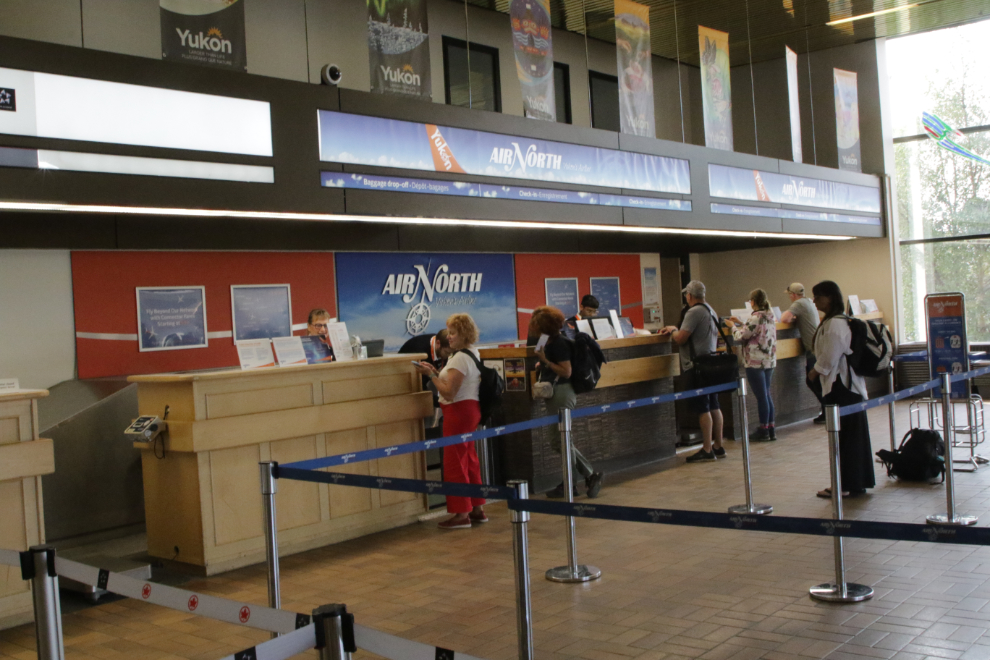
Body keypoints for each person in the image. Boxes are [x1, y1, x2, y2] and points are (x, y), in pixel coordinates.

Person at [413, 313, 487, 529]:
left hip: (458, 411)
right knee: (469, 459)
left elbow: (449, 392)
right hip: (469, 410)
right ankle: (476, 508)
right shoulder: (471, 353)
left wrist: (430, 375)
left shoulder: (461, 357)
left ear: (463, 334)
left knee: (455, 461)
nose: (449, 337)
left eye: (453, 333)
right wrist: (437, 373)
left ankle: (461, 513)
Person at [808, 280, 875, 499]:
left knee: (845, 438)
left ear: (830, 297)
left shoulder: (835, 324)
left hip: (841, 388)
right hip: (848, 387)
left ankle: (844, 484)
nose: (815, 300)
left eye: (818, 296)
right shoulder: (836, 321)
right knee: (852, 437)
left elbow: (829, 357)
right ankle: (855, 482)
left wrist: (813, 373)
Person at [530, 306, 604, 499]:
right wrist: (541, 361)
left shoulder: (559, 343)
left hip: (562, 393)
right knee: (561, 441)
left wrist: (545, 361)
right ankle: (584, 477)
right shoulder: (549, 340)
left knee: (560, 440)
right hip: (557, 393)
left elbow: (566, 371)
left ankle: (573, 481)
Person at [660, 280, 725, 463]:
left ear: (689, 295)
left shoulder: (694, 311)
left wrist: (673, 330)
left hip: (696, 366)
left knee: (702, 407)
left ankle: (706, 448)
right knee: (714, 404)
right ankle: (718, 445)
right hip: (710, 363)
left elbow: (681, 338)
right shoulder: (710, 310)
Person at [727, 289, 777, 441]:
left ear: (753, 302)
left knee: (761, 396)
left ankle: (763, 430)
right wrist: (742, 323)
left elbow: (741, 336)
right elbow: (756, 330)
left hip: (755, 361)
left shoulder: (755, 317)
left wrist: (732, 326)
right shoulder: (769, 315)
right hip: (769, 360)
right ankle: (770, 428)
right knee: (767, 394)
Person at [780, 283, 825, 424]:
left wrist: (793, 318)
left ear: (793, 294)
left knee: (813, 380)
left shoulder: (798, 304)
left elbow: (784, 319)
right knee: (817, 381)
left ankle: (828, 409)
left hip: (813, 350)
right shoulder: (809, 302)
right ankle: (826, 409)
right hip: (817, 347)